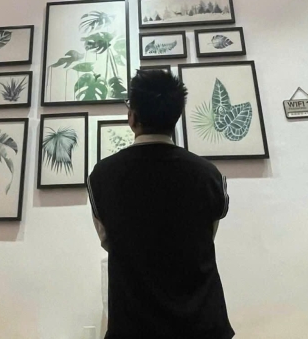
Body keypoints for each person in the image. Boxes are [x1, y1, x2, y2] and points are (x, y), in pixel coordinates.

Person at [87, 69, 234, 339]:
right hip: (203, 326)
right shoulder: (209, 175)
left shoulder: (102, 176)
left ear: (132, 117)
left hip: (132, 327)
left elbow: (108, 241)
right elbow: (206, 236)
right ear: (176, 117)